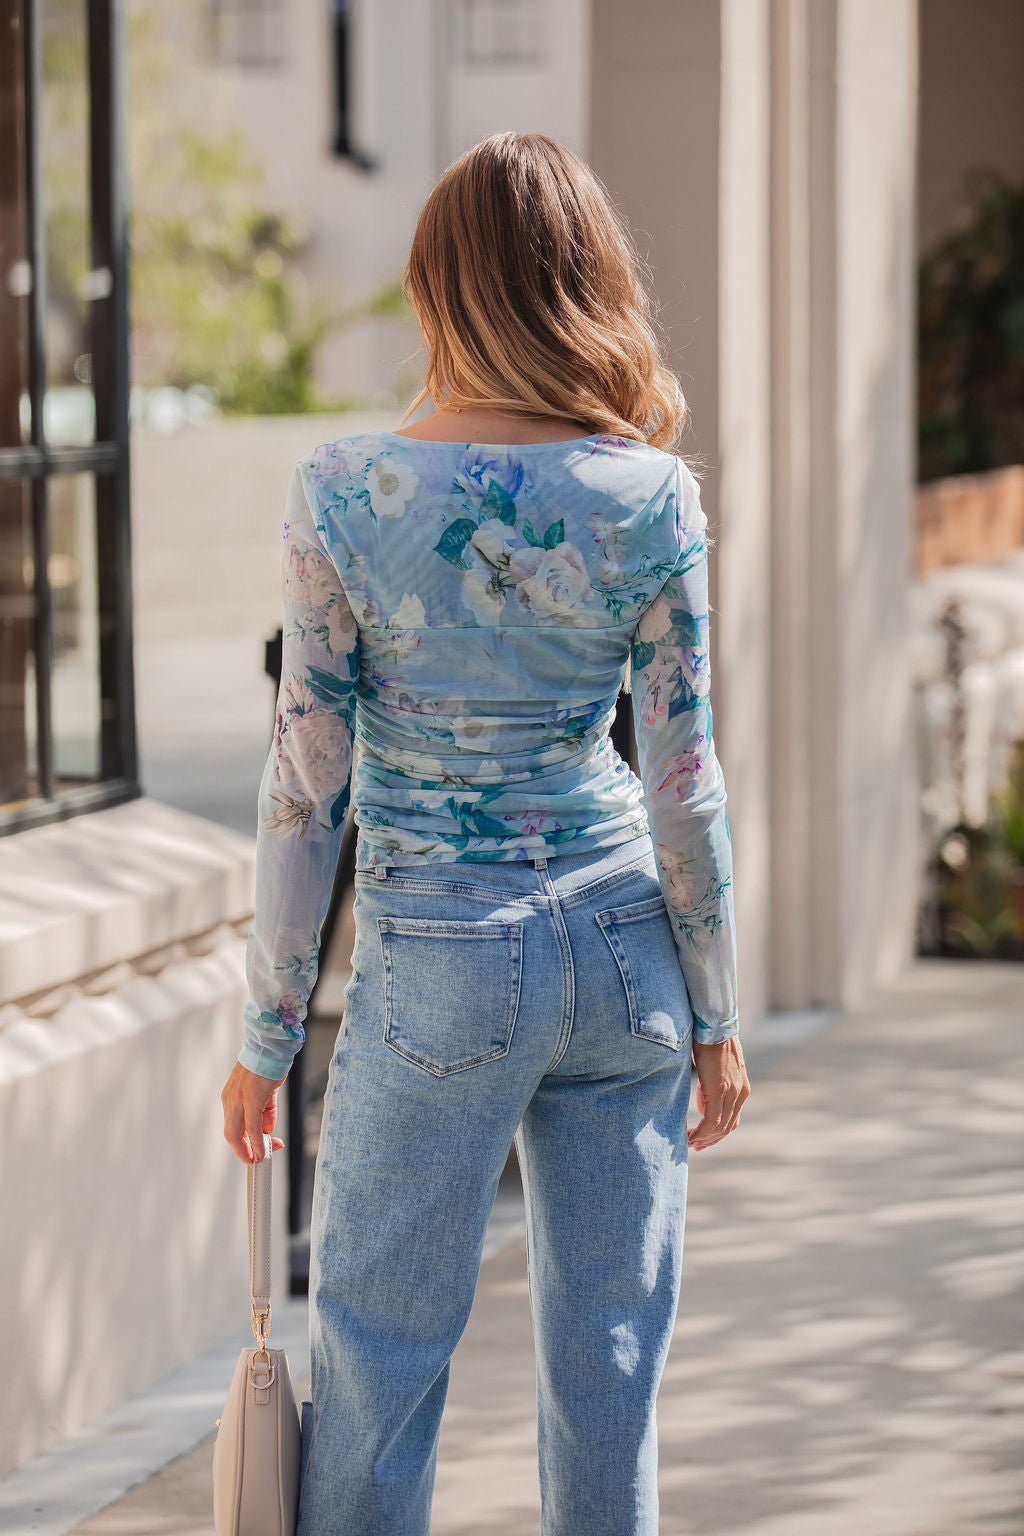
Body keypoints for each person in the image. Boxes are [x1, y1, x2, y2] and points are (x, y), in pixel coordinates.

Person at [221, 129, 750, 1536]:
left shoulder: (344, 490)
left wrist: (267, 1036)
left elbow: (303, 788)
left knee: (381, 1361)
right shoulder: (652, 496)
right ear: (585, 281)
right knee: (612, 1365)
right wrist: (718, 1010)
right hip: (626, 949)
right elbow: (688, 779)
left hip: (439, 957)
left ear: (438, 288)